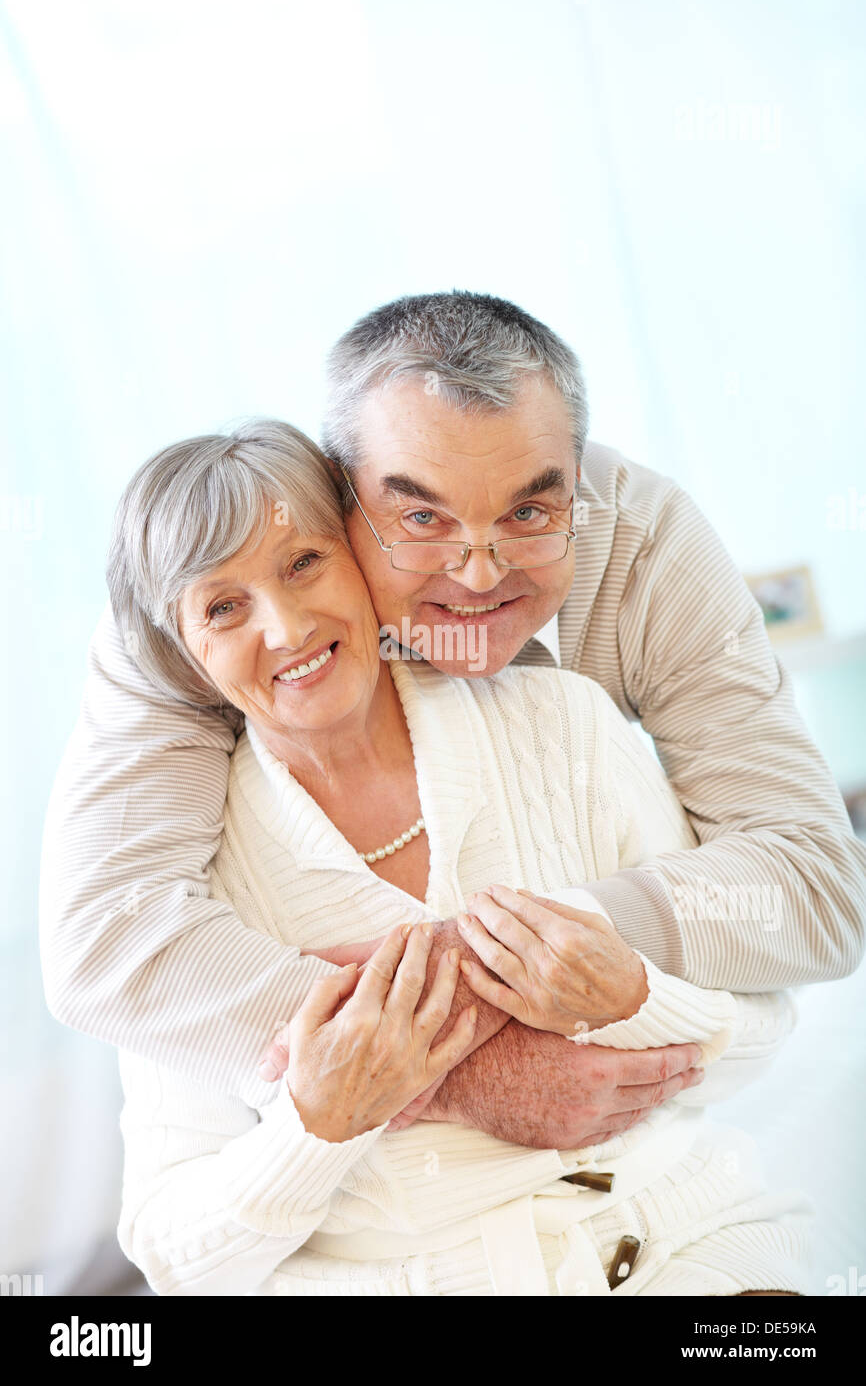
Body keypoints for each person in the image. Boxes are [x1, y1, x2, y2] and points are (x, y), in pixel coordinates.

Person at [40, 291, 866, 1150]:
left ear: (577, 483)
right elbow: (103, 936)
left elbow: (817, 884)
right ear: (340, 498)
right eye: (422, 518)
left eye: (528, 513)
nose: (478, 575)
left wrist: (537, 953)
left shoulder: (646, 544)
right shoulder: (207, 616)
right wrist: (453, 1071)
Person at [110, 421, 808, 1296]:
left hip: (682, 1241)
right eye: (222, 607)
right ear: (183, 653)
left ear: (363, 556)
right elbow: (171, 1253)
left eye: (304, 564)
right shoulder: (189, 887)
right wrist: (318, 1123)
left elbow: (762, 1038)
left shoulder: (564, 723)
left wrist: (632, 999)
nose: (285, 628)